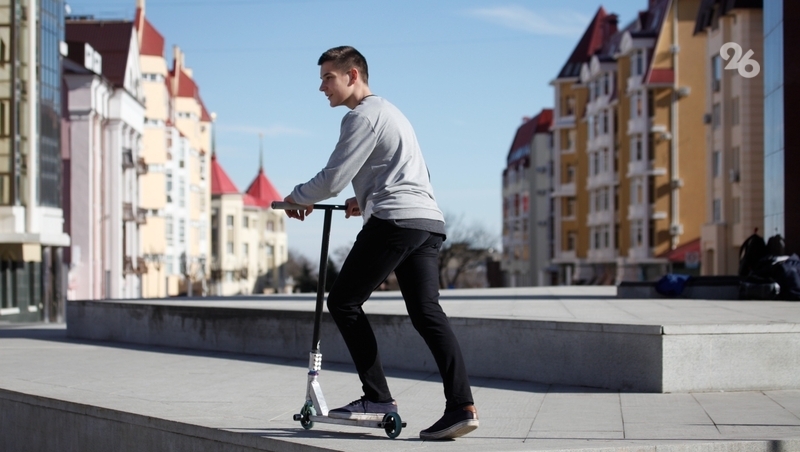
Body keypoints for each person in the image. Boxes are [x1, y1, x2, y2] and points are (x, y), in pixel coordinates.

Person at [282, 46, 478, 440]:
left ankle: (378, 398)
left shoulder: (361, 116)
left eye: (328, 78)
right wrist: (365, 197)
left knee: (343, 301)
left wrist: (296, 197)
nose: (322, 87)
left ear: (352, 75)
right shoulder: (392, 113)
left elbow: (333, 178)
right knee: (427, 313)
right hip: (427, 221)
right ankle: (461, 406)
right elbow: (407, 171)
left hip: (395, 221)